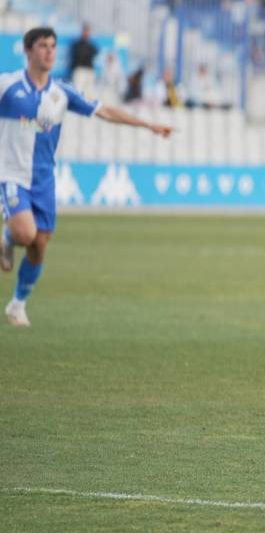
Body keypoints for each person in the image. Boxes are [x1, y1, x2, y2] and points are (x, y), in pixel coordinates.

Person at [0, 27, 172, 328]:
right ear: (28, 51)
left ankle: (18, 303)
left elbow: (103, 111)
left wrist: (146, 124)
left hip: (43, 180)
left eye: (53, 46)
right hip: (11, 174)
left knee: (39, 245)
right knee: (25, 233)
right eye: (43, 46)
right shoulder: (8, 86)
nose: (50, 51)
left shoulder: (61, 93)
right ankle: (6, 238)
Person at [66, 24, 97, 98]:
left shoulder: (92, 46)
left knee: (90, 93)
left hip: (89, 70)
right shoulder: (76, 45)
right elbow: (74, 58)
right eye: (85, 31)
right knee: (78, 91)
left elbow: (94, 54)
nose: (86, 33)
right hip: (79, 70)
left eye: (88, 31)